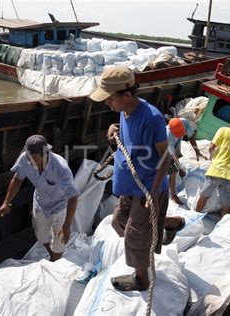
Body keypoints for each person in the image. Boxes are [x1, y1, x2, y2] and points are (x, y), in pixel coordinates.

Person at [89, 66, 184, 291]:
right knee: (117, 222)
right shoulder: (124, 111)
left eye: (109, 99)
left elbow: (165, 159)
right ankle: (169, 224)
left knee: (134, 235)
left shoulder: (152, 118)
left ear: (127, 95)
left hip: (146, 187)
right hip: (130, 185)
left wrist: (151, 194)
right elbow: (130, 138)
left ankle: (142, 279)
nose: (107, 104)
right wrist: (113, 130)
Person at [0, 135, 79, 262]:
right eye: (29, 156)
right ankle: (53, 255)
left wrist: (67, 225)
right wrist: (6, 202)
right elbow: (17, 180)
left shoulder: (60, 168)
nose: (30, 161)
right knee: (40, 234)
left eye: (34, 158)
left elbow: (73, 197)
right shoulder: (25, 158)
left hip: (60, 204)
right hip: (41, 201)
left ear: (45, 154)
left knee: (59, 238)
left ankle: (56, 261)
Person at [195, 112, 230, 218]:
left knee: (204, 195)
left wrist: (212, 157)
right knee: (227, 203)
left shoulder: (223, 130)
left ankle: (194, 216)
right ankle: (221, 226)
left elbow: (211, 147)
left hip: (216, 170)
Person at [167, 117, 207, 205]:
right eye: (177, 133)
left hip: (176, 147)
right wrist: (180, 168)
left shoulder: (184, 122)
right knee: (173, 170)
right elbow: (172, 155)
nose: (180, 134)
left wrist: (197, 151)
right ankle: (173, 195)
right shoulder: (167, 135)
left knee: (181, 165)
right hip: (164, 151)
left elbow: (191, 137)